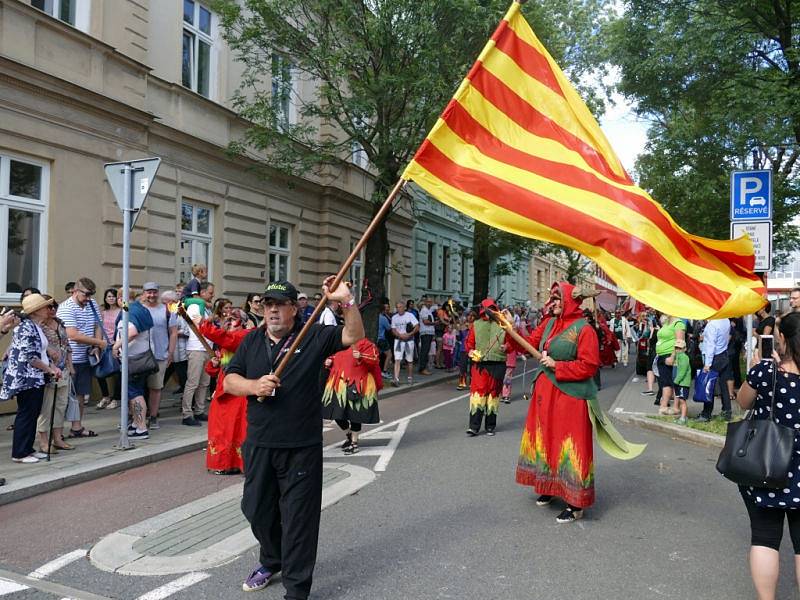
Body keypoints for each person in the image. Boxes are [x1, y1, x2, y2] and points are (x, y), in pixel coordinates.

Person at [223, 278, 364, 597]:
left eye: (280, 304)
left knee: (299, 519)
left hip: (301, 445)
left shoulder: (312, 334)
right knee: (255, 508)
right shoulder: (252, 341)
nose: (272, 310)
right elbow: (230, 380)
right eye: (267, 304)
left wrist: (346, 302)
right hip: (259, 443)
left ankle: (297, 588)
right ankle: (273, 559)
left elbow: (354, 335)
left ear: (293, 308)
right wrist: (253, 386)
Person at [506, 282, 645, 523]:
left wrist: (557, 366)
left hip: (570, 398)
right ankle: (548, 486)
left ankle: (575, 503)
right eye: (552, 298)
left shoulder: (584, 329)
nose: (553, 302)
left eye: (558, 298)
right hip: (545, 397)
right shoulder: (548, 324)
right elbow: (527, 345)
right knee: (547, 440)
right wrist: (510, 328)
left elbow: (590, 366)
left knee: (570, 446)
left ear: (570, 300)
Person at [736, 312, 800, 600]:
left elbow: (742, 403)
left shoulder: (766, 371)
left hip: (766, 465)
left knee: (764, 537)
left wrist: (756, 370)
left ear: (782, 338)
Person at [2, 294, 62, 463]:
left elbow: (41, 353)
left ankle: (27, 449)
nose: (49, 309)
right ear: (36, 311)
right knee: (26, 414)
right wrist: (50, 370)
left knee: (32, 413)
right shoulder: (26, 328)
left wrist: (52, 366)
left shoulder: (35, 326)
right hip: (27, 378)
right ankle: (19, 453)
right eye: (45, 307)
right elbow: (31, 357)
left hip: (35, 377)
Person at [198, 309, 252, 475]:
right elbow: (216, 371)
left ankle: (240, 463)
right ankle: (222, 463)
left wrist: (205, 323)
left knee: (238, 428)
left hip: (239, 393)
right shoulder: (227, 340)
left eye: (233, 319)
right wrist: (214, 364)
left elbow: (225, 338)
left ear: (242, 322)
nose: (229, 323)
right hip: (223, 392)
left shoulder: (247, 335)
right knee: (220, 429)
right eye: (227, 320)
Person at [57, 277, 105, 438]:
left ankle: (76, 427)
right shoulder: (66, 308)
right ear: (76, 291)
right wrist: (99, 342)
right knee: (64, 397)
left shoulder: (91, 304)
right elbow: (73, 335)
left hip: (85, 358)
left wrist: (96, 346)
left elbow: (98, 325)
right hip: (68, 359)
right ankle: (56, 432)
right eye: (86, 294)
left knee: (80, 394)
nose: (89, 298)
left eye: (92, 294)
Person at [322, 338, 382, 455]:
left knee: (355, 414)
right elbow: (337, 357)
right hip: (338, 383)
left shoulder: (366, 344)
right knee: (335, 412)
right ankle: (349, 435)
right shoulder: (340, 343)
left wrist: (361, 356)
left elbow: (375, 359)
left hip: (358, 382)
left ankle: (354, 443)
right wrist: (329, 360)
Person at [36, 296, 74, 453]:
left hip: (63, 369)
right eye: (48, 307)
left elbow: (67, 344)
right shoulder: (38, 326)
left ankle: (57, 438)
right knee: (47, 407)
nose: (52, 310)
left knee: (61, 405)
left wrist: (70, 365)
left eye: (54, 307)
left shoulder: (60, 323)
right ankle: (43, 441)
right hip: (48, 370)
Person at [112, 298, 154, 440]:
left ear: (120, 299)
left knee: (134, 394)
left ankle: (141, 427)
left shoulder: (129, 312)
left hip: (133, 360)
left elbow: (132, 332)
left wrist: (116, 345)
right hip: (141, 358)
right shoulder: (141, 310)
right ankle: (136, 424)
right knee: (137, 391)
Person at [465, 298, 506, 436]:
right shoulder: (476, 325)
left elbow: (512, 343)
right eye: (488, 310)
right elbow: (469, 343)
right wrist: (470, 351)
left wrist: (507, 347)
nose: (489, 313)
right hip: (480, 365)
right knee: (478, 395)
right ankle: (474, 426)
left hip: (498, 364)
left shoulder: (503, 325)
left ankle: (490, 426)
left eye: (492, 310)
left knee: (493, 395)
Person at [141, 283, 177, 430]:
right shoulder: (138, 308)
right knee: (138, 389)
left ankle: (154, 416)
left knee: (155, 388)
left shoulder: (167, 310)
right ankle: (137, 417)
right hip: (140, 355)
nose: (152, 295)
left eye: (154, 292)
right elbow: (123, 313)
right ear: (143, 293)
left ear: (158, 293)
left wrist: (170, 352)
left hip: (160, 355)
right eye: (148, 292)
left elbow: (173, 332)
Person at [181, 281, 214, 426]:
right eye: (210, 292)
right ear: (202, 293)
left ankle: (199, 411)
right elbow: (198, 324)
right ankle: (187, 414)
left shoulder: (207, 308)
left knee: (204, 383)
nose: (212, 295)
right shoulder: (195, 306)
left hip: (207, 349)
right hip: (196, 348)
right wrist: (214, 318)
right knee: (193, 383)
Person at [695, 317, 733, 422]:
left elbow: (711, 345)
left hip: (715, 357)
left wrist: (707, 364)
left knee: (709, 385)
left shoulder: (712, 325)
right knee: (723, 384)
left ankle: (706, 414)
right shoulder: (726, 320)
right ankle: (727, 411)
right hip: (723, 354)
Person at [655, 314, 686, 416]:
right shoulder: (666, 323)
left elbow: (680, 342)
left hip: (671, 356)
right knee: (665, 382)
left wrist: (672, 357)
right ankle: (663, 406)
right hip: (662, 356)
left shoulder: (678, 323)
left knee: (675, 382)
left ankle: (676, 407)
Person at [96, 288, 120, 410]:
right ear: (105, 299)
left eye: (113, 296)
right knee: (100, 372)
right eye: (108, 296)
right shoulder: (103, 312)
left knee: (117, 373)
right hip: (105, 345)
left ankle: (115, 398)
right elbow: (99, 328)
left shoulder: (122, 311)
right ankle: (105, 396)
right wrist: (98, 344)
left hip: (117, 345)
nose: (111, 298)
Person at [390, 301, 418, 387]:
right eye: (398, 307)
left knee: (409, 360)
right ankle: (396, 379)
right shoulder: (394, 317)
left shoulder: (410, 316)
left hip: (409, 341)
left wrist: (409, 334)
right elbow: (393, 329)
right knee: (397, 360)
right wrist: (399, 335)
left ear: (404, 307)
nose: (399, 309)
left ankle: (410, 377)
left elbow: (417, 327)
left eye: (401, 307)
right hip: (398, 341)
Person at [668, 339, 691, 425]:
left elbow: (682, 371)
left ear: (684, 349)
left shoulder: (684, 358)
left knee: (682, 401)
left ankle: (683, 418)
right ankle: (683, 416)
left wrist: (676, 381)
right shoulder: (678, 357)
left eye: (680, 348)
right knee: (681, 400)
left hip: (683, 383)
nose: (678, 350)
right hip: (679, 383)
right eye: (676, 348)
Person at [418, 296, 435, 376]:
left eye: (431, 302)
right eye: (428, 302)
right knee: (424, 351)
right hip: (425, 333)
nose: (430, 303)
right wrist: (435, 323)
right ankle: (422, 368)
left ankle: (423, 367)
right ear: (425, 302)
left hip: (429, 333)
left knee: (426, 350)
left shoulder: (428, 310)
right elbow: (425, 322)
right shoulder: (424, 310)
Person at [377, 302, 392, 376]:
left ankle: (379, 370)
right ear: (383, 310)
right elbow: (389, 328)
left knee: (379, 355)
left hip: (376, 339)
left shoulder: (376, 317)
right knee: (389, 355)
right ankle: (384, 371)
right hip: (382, 339)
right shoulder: (383, 318)